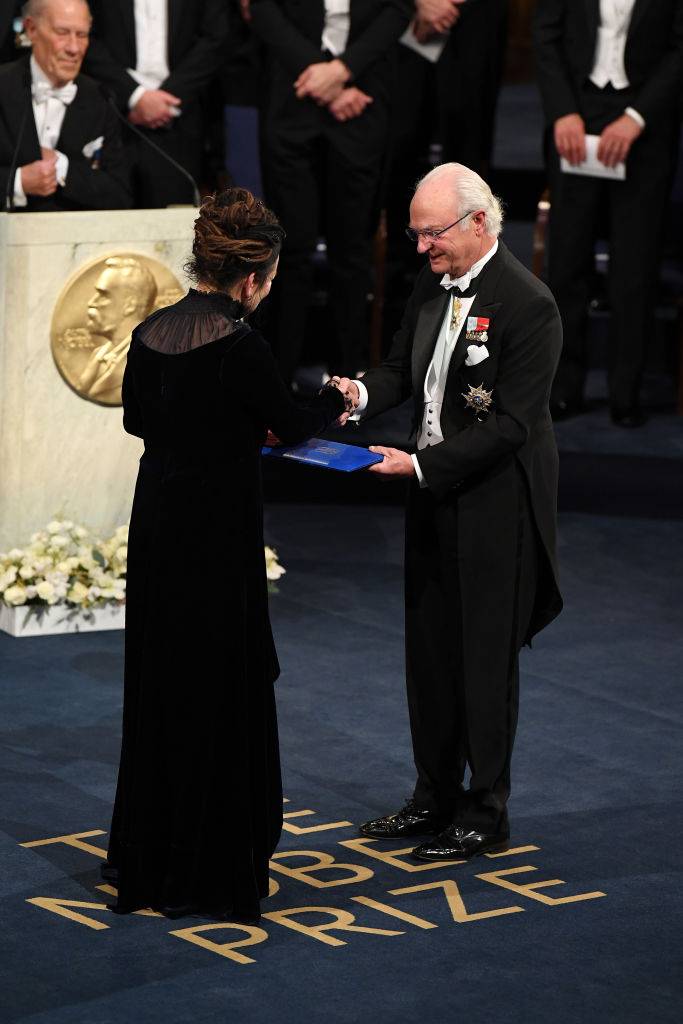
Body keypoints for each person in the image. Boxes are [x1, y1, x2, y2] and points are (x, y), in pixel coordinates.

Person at [102, 188, 349, 919]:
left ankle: (150, 860)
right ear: (250, 279)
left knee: (160, 688)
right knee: (217, 692)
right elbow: (292, 425)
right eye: (268, 283)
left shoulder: (149, 333)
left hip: (156, 535)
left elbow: (136, 421)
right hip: (216, 539)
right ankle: (211, 870)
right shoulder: (242, 345)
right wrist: (338, 401)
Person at [337, 163, 563, 859]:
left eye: (430, 233)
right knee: (429, 653)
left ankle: (484, 809)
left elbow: (510, 428)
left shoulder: (529, 306)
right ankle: (431, 797)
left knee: (483, 661)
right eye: (414, 233)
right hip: (432, 494)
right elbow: (403, 368)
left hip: (496, 507)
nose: (420, 247)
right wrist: (361, 396)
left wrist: (420, 464)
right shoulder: (431, 284)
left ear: (478, 222)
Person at [533, 0, 683, 427]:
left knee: (634, 270)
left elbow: (679, 49)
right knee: (566, 264)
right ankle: (563, 389)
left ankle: (625, 393)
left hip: (644, 125)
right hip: (575, 117)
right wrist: (562, 111)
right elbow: (546, 36)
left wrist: (636, 118)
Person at [250, 0, 411, 385]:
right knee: (290, 248)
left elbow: (399, 10)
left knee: (352, 250)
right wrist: (322, 78)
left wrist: (342, 70)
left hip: (363, 101)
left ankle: (347, 382)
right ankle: (278, 377)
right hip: (291, 99)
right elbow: (263, 9)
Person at [84, 0, 229, 208]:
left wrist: (168, 97)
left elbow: (217, 36)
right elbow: (84, 34)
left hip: (178, 117)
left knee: (174, 226)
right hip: (111, 115)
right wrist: (135, 95)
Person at [0, 0, 130, 211]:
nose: (74, 48)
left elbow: (119, 193)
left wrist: (63, 168)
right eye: (62, 32)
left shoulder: (101, 99)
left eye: (82, 35)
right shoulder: (3, 86)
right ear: (31, 29)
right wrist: (18, 182)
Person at [78, 256, 158, 404]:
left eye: (103, 294)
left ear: (130, 305)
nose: (91, 302)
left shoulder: (150, 357)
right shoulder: (98, 356)